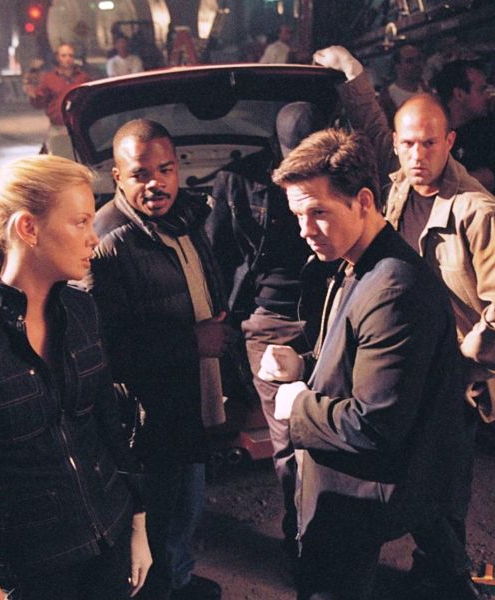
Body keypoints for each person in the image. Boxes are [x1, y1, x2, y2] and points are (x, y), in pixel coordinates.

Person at [0, 155, 152, 600]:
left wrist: (137, 522)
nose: (94, 238)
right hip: (33, 570)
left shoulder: (82, 310)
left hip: (108, 539)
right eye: (80, 222)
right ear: (28, 228)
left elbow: (109, 426)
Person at [314, 45, 495, 600]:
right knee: (411, 480)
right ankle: (434, 573)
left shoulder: (475, 210)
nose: (418, 155)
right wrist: (353, 75)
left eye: (430, 143)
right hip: (402, 366)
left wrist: (464, 360)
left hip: (451, 379)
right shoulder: (395, 189)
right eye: (408, 144)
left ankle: (450, 582)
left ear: (450, 142)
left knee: (446, 489)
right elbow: (372, 126)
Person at [268, 127, 465, 600]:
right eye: (298, 215)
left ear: (363, 201)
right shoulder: (358, 263)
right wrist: (303, 365)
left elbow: (374, 423)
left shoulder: (393, 287)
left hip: (356, 497)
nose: (305, 230)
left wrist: (297, 406)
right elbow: (360, 360)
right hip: (346, 492)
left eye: (318, 212)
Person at [88, 119, 228, 600]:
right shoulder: (108, 241)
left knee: (187, 506)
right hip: (148, 414)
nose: (156, 183)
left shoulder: (184, 219)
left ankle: (178, 580)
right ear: (117, 177)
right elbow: (104, 351)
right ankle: (162, 590)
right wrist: (193, 341)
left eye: (165, 169)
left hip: (188, 397)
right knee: (158, 516)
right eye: (140, 173)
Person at [207, 101, 334, 561]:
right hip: (270, 322)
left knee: (336, 430)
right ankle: (303, 539)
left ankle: (334, 536)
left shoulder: (339, 173)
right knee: (290, 439)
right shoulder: (239, 180)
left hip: (332, 314)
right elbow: (218, 255)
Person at [433, 59, 495, 191]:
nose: (488, 96)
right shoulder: (434, 133)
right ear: (459, 94)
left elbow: (489, 178)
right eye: (481, 90)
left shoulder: (489, 129)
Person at [23, 43, 90, 158]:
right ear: (57, 58)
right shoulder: (49, 78)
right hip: (58, 128)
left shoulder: (83, 78)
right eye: (63, 55)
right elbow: (39, 102)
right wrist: (33, 95)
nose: (67, 59)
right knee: (57, 161)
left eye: (70, 55)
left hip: (78, 128)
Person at [378, 43, 428, 126]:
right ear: (397, 66)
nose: (416, 64)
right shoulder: (387, 98)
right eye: (409, 61)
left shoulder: (427, 91)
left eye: (419, 59)